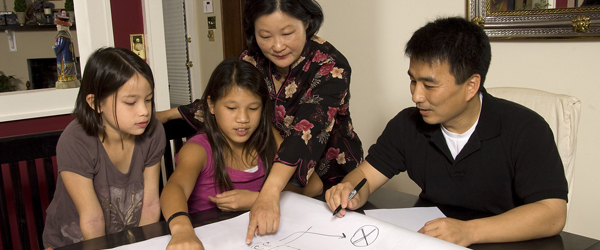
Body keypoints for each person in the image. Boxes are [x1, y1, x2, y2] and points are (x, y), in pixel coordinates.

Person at [325, 17, 568, 247]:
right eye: (413, 81)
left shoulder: (526, 129)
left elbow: (553, 213)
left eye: (430, 85)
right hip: (434, 241)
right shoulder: (407, 124)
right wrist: (349, 189)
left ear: (471, 85)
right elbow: (365, 176)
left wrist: (469, 231)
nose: (416, 96)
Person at [156, 0, 363, 242]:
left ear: (306, 23)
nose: (277, 46)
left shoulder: (330, 66)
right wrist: (168, 115)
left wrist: (266, 195)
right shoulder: (252, 58)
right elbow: (233, 95)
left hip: (329, 178)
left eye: (287, 33)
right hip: (275, 189)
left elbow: (303, 137)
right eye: (265, 35)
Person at [43, 47, 165, 249]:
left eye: (148, 100)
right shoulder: (75, 141)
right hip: (73, 243)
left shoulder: (153, 132)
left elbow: (150, 206)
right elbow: (92, 219)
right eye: (130, 102)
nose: (144, 111)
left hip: (126, 241)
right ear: (96, 103)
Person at [160, 59, 280, 249]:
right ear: (211, 105)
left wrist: (258, 199)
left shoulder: (269, 138)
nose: (243, 119)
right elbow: (175, 188)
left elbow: (312, 184)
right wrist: (182, 229)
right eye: (231, 108)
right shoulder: (198, 149)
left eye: (253, 108)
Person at [53, 11, 80, 89]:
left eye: (58, 25)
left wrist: (54, 47)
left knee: (64, 68)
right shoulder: (67, 34)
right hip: (68, 56)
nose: (57, 27)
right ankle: (70, 77)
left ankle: (65, 78)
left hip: (63, 57)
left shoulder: (61, 35)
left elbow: (60, 46)